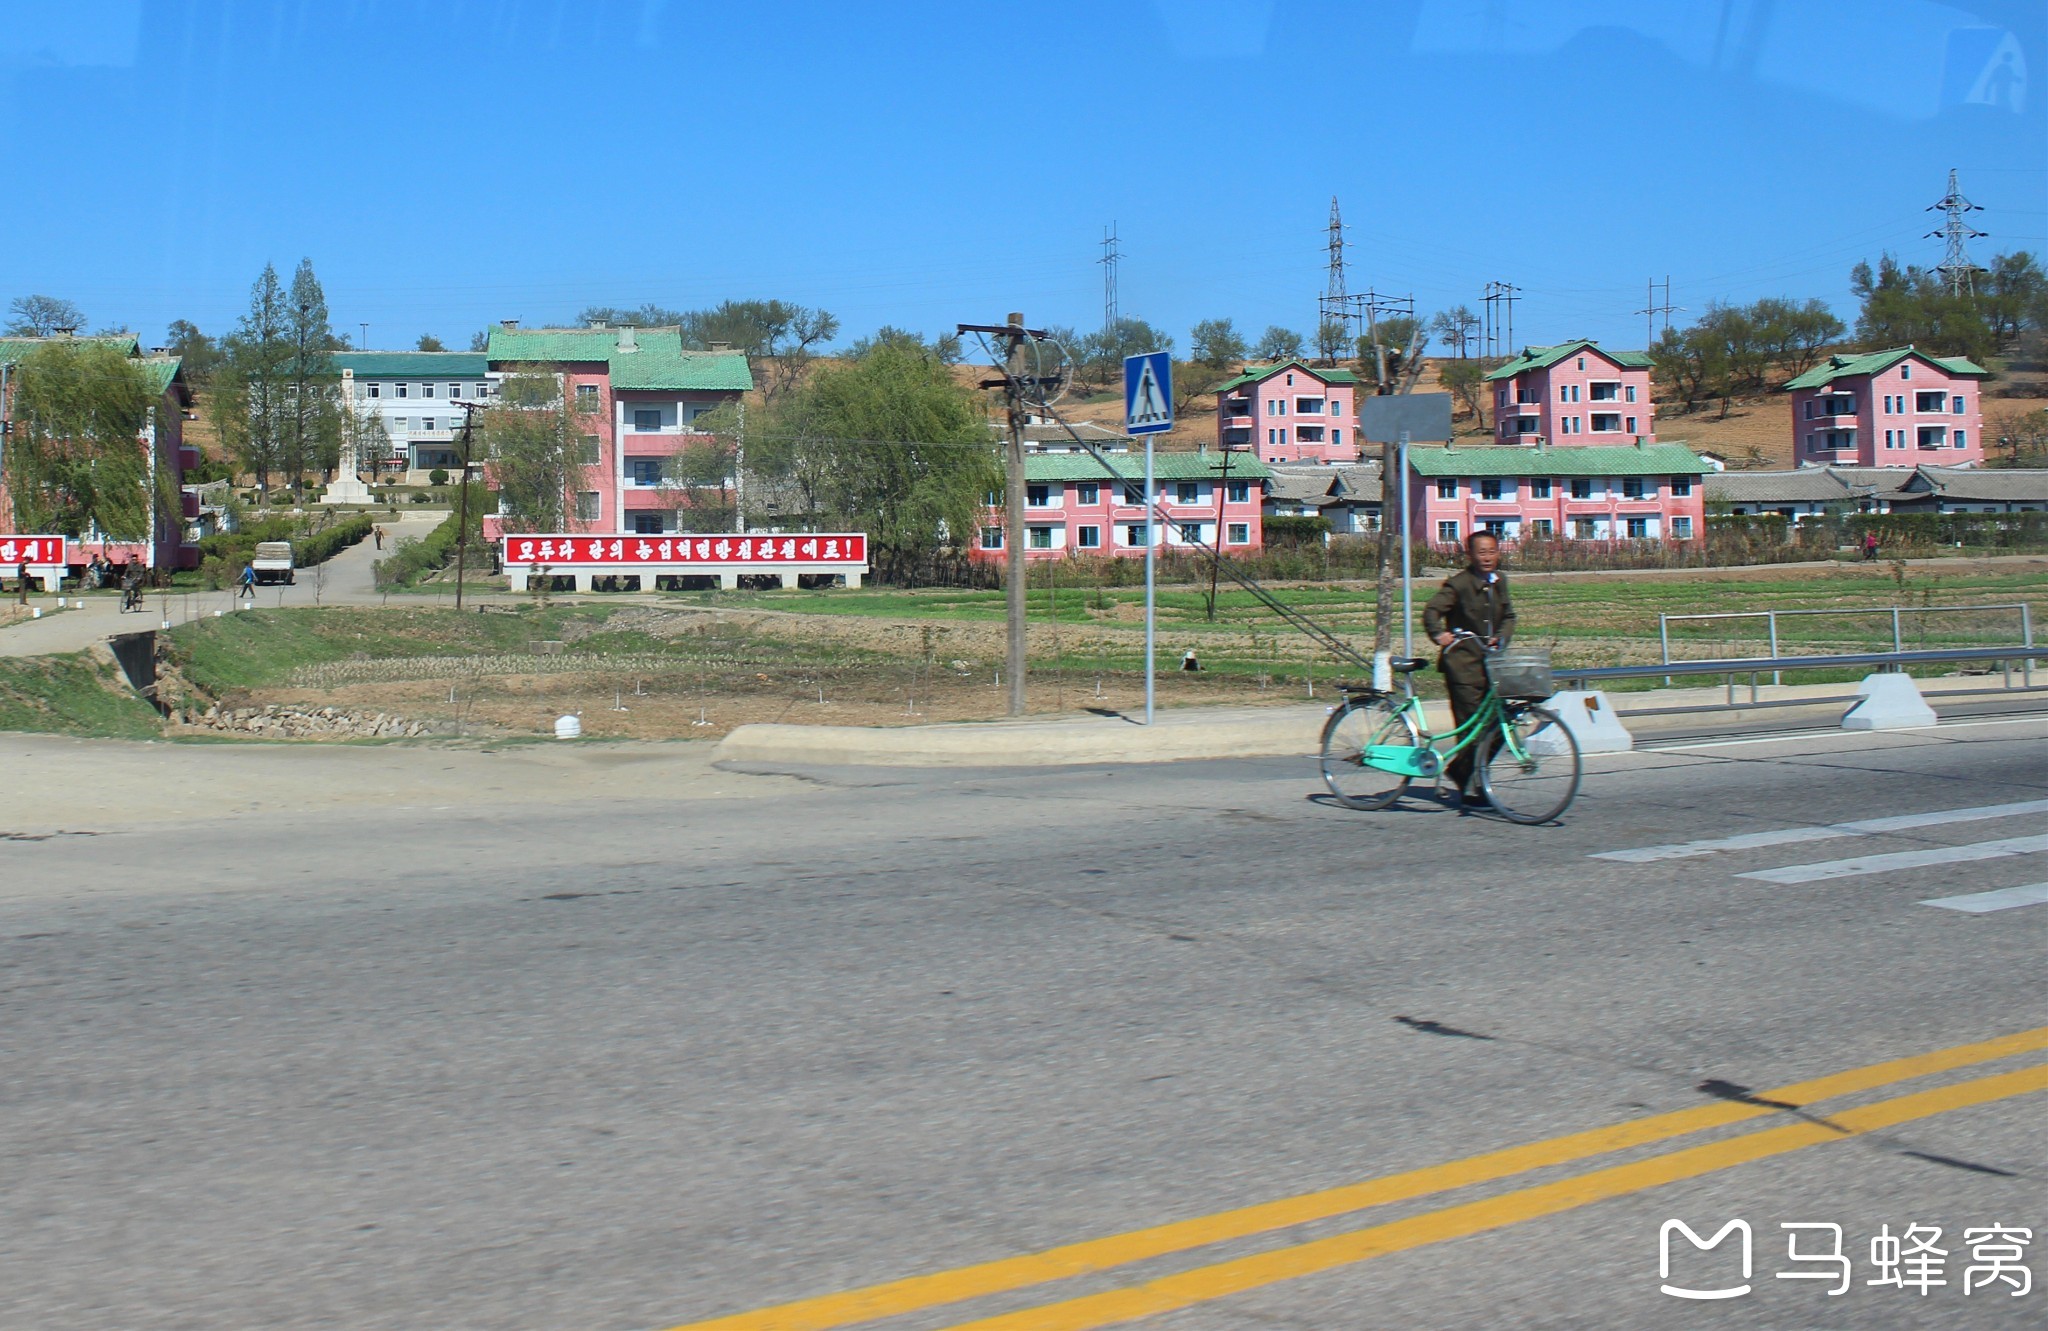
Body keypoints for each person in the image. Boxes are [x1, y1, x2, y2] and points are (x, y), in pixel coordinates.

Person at [1424, 530, 1516, 805]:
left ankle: (1461, 772)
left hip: (1491, 666)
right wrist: (1439, 634)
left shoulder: (1499, 581)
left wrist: (1502, 636)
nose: (1487, 557)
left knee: (1502, 726)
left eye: (1491, 552)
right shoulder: (1459, 584)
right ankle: (1471, 787)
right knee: (1471, 729)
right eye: (1481, 552)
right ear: (1470, 555)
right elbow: (1432, 611)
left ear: (1498, 553)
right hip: (1462, 667)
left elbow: (1509, 616)